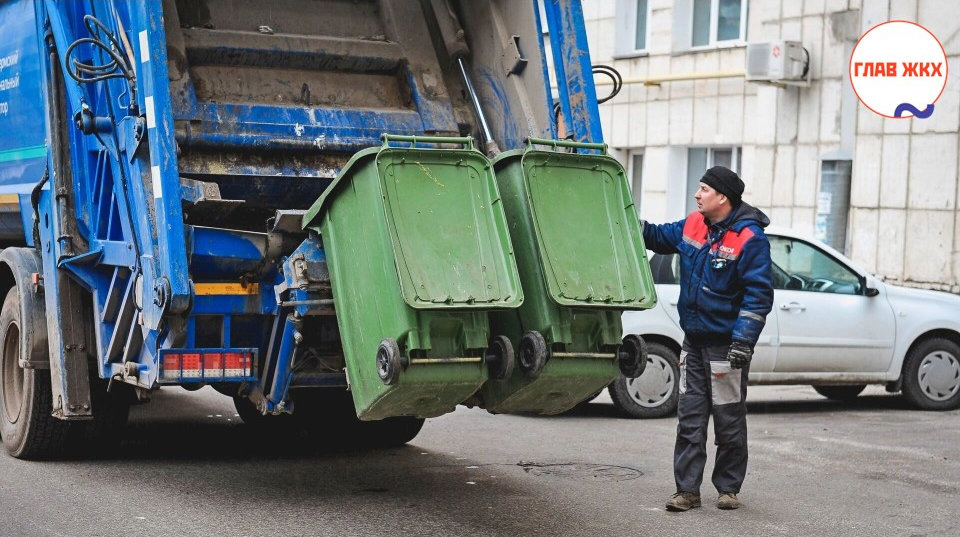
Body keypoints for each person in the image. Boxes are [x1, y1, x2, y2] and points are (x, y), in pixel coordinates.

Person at [641, 166, 773, 511]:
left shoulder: (749, 238)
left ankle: (728, 489)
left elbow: (758, 294)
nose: (697, 194)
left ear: (722, 197)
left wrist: (743, 341)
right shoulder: (693, 224)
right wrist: (625, 219)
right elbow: (656, 236)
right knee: (690, 419)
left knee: (728, 421)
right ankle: (687, 492)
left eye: (703, 189)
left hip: (726, 348)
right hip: (694, 343)